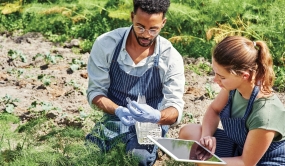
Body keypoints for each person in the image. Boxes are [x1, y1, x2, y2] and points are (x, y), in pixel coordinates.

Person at [85, 0, 185, 165]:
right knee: (90, 154)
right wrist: (117, 111)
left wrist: (157, 116)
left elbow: (175, 106)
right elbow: (95, 92)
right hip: (114, 118)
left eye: (153, 29)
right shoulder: (106, 45)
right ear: (132, 17)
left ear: (163, 23)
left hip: (151, 124)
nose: (146, 34)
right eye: (140, 27)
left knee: (137, 158)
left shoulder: (171, 57)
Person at [179, 36, 285, 166]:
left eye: (222, 77)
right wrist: (206, 137)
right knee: (188, 132)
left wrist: (206, 162)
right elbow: (214, 110)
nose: (215, 80)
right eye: (215, 73)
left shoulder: (265, 114)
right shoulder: (234, 87)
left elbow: (246, 162)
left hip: (262, 161)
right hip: (239, 147)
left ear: (244, 75)